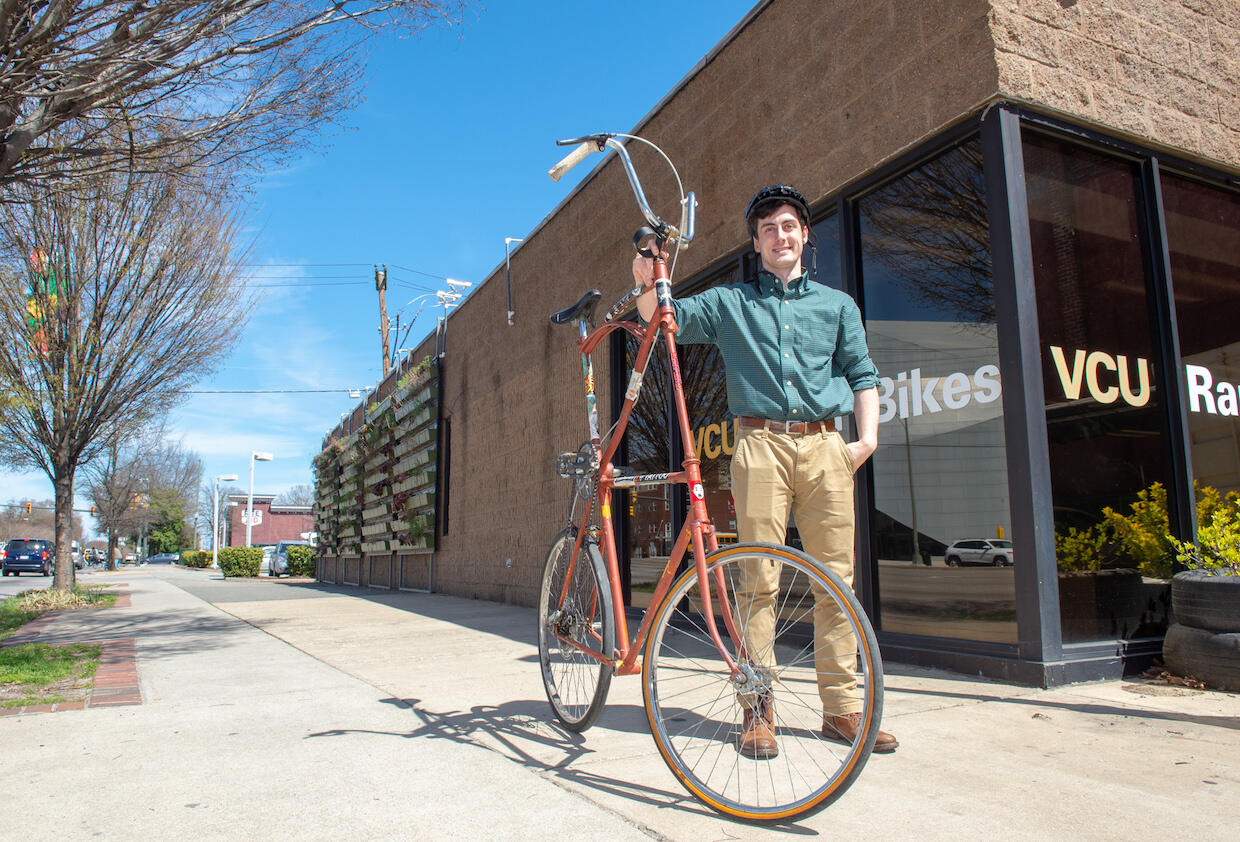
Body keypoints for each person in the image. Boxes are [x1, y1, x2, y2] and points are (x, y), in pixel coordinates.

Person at [633, 184, 897, 757]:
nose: (781, 235)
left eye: (790, 226)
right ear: (756, 243)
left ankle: (842, 710)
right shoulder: (731, 303)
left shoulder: (837, 306)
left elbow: (863, 374)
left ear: (805, 236)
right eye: (770, 228)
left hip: (827, 446)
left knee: (837, 580)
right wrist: (645, 273)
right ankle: (758, 709)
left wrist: (867, 439)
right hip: (758, 447)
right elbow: (662, 316)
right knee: (757, 580)